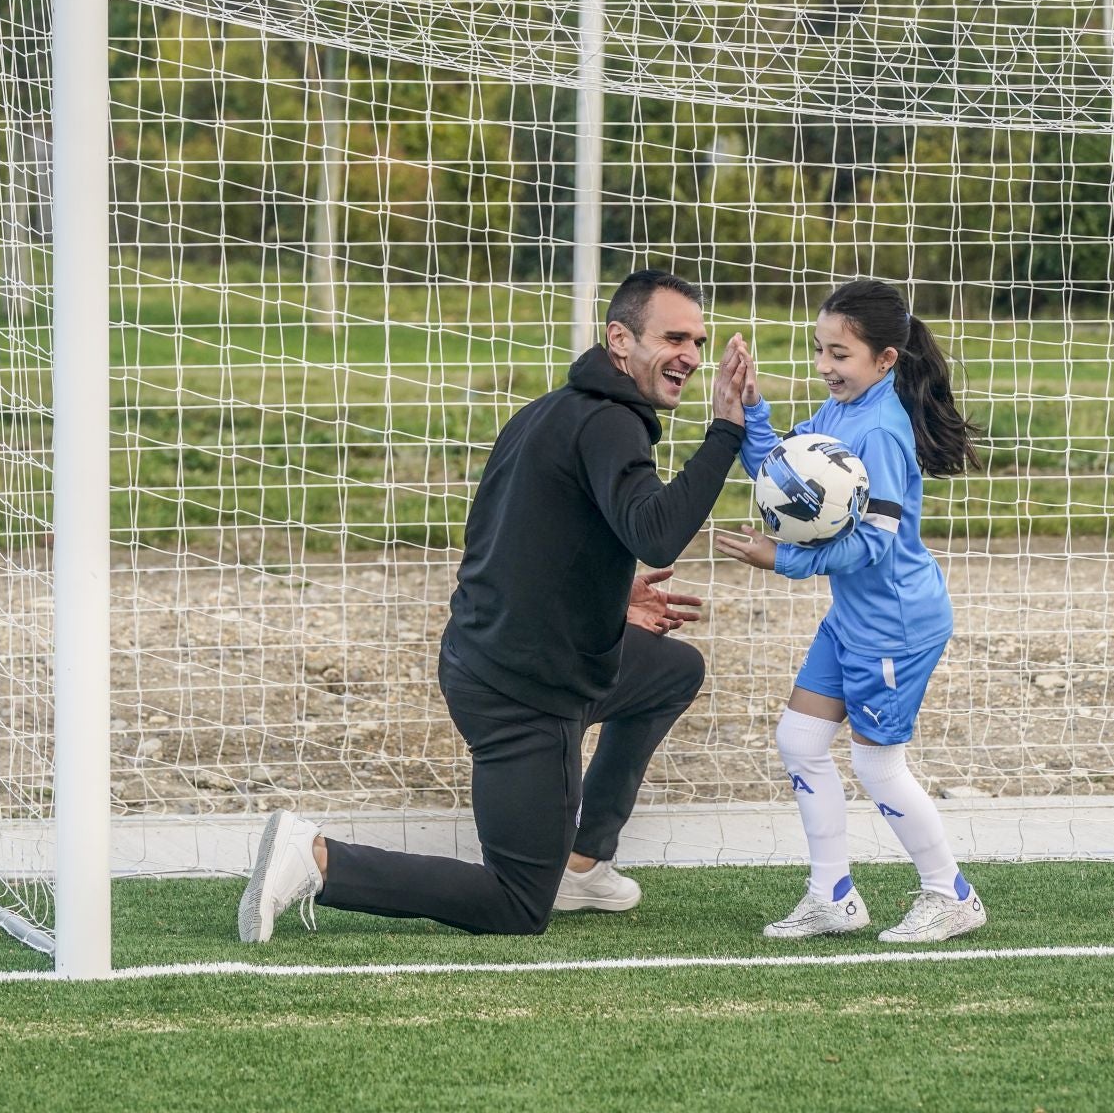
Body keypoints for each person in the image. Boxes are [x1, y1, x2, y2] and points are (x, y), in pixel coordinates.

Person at [240, 270, 751, 939]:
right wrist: (726, 434)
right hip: (521, 692)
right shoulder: (610, 424)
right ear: (619, 340)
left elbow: (508, 532)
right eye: (673, 337)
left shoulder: (556, 409)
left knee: (671, 670)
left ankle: (583, 861)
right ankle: (315, 859)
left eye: (699, 341)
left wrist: (605, 589)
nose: (689, 354)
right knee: (515, 904)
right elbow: (655, 532)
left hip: (507, 653)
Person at [715, 279, 986, 943]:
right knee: (800, 741)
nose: (824, 366)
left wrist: (783, 561)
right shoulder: (840, 414)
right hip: (853, 620)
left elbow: (873, 542)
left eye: (840, 354)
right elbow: (782, 474)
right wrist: (753, 409)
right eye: (819, 350)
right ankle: (832, 895)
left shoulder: (884, 430)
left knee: (876, 765)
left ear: (886, 359)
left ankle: (950, 894)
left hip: (897, 623)